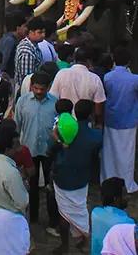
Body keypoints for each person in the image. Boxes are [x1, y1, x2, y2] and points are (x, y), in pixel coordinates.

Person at [52, 100, 103, 253]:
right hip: (81, 178)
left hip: (62, 175)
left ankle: (64, 245)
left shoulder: (65, 128)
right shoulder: (95, 136)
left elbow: (54, 146)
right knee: (80, 208)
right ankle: (84, 240)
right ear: (90, 116)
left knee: (63, 212)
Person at [14, 71, 58, 233]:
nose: (39, 92)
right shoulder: (22, 102)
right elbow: (16, 126)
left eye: (42, 89)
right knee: (30, 186)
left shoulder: (55, 103)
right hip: (29, 150)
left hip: (48, 151)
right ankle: (32, 218)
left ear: (48, 88)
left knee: (50, 186)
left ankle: (53, 221)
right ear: (31, 86)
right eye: (36, 88)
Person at [0, 126, 30, 255]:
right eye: (16, 145)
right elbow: (22, 202)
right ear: (8, 149)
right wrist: (25, 186)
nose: (19, 149)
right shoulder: (11, 172)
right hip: (11, 219)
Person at [101, 45, 138, 193]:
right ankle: (126, 182)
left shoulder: (108, 77)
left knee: (109, 153)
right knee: (127, 154)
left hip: (111, 119)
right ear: (129, 62)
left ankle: (107, 178)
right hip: (128, 120)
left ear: (113, 60)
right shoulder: (134, 79)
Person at [50, 46, 106, 126]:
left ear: (75, 58)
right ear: (89, 61)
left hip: (63, 123)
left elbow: (53, 98)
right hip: (85, 124)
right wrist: (98, 124)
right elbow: (98, 109)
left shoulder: (61, 74)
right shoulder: (94, 79)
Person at [91, 178, 134, 255]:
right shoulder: (127, 223)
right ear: (116, 199)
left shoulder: (95, 213)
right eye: (125, 194)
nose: (128, 197)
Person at [13, 16, 45, 93]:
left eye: (44, 32)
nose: (43, 35)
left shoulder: (33, 46)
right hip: (27, 92)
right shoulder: (27, 52)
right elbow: (27, 80)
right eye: (40, 32)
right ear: (31, 32)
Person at [0, 11, 28, 79]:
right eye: (25, 26)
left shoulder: (7, 38)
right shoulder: (10, 41)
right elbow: (3, 62)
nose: (26, 29)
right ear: (18, 28)